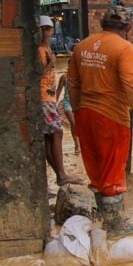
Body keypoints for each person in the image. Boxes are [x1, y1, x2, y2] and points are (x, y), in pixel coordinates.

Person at [68, 7, 133, 238]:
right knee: (112, 168)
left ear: (102, 23)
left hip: (85, 113)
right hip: (110, 116)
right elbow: (131, 85)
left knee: (96, 169)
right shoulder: (124, 48)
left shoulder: (82, 46)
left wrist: (78, 114)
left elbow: (72, 84)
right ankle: (115, 224)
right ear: (128, 28)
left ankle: (104, 219)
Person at [39, 15, 82, 186]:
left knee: (52, 136)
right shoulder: (41, 51)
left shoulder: (46, 50)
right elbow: (37, 75)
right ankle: (61, 175)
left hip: (48, 98)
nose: (49, 34)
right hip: (44, 97)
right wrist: (51, 63)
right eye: (46, 30)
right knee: (56, 133)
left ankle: (60, 174)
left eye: (50, 30)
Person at [56, 73, 80, 155]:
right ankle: (77, 145)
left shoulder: (81, 76)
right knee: (73, 123)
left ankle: (82, 144)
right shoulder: (64, 77)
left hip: (78, 103)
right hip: (67, 103)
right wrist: (53, 104)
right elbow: (58, 91)